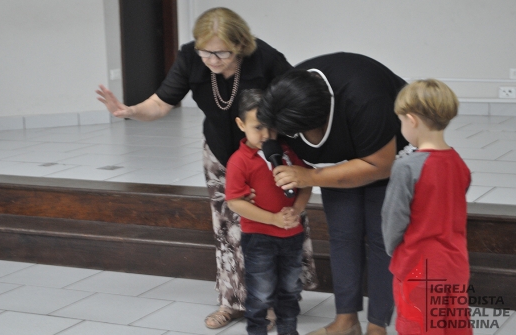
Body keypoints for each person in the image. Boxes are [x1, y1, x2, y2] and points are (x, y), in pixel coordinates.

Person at [95, 7, 317, 329]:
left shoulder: (265, 57)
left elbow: (298, 99)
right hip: (220, 152)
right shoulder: (190, 57)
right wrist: (129, 111)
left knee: (276, 223)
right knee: (227, 228)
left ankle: (273, 302)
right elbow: (160, 103)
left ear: (240, 45)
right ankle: (232, 301)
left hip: (268, 153)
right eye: (206, 52)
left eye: (221, 53)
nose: (212, 60)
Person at [258, 53, 410, 335]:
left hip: (388, 157)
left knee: (381, 240)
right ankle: (346, 321)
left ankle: (378, 326)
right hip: (333, 164)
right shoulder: (285, 93)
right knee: (342, 236)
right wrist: (277, 157)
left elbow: (380, 165)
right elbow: (269, 130)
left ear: (320, 120)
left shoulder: (365, 98)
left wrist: (310, 176)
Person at [381, 79, 472, 335]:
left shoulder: (407, 167)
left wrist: (392, 249)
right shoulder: (458, 163)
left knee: (418, 327)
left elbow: (393, 220)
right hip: (455, 267)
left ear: (411, 120)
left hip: (417, 269)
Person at [225, 89, 312, 335]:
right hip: (259, 238)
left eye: (272, 127)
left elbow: (305, 184)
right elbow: (235, 201)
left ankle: (288, 330)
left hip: (292, 236)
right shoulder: (239, 161)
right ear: (241, 124)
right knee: (261, 293)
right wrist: (273, 219)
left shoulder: (288, 154)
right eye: (258, 127)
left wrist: (296, 209)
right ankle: (257, 330)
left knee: (290, 290)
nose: (267, 135)